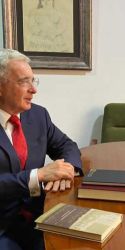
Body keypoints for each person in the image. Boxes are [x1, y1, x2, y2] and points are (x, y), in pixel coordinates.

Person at [0, 49, 83, 250]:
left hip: (39, 217)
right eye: (23, 82)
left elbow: (67, 146)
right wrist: (38, 175)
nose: (33, 90)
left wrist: (67, 169)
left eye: (33, 81)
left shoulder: (38, 116)